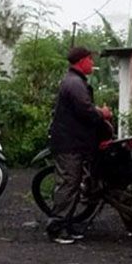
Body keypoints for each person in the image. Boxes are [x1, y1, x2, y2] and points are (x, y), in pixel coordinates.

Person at [46, 46, 112, 244]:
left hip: (75, 141)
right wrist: (102, 113)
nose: (92, 63)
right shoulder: (74, 83)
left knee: (73, 184)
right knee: (68, 184)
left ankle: (66, 224)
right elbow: (85, 110)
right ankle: (57, 228)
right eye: (90, 59)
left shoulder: (75, 81)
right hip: (69, 143)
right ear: (82, 60)